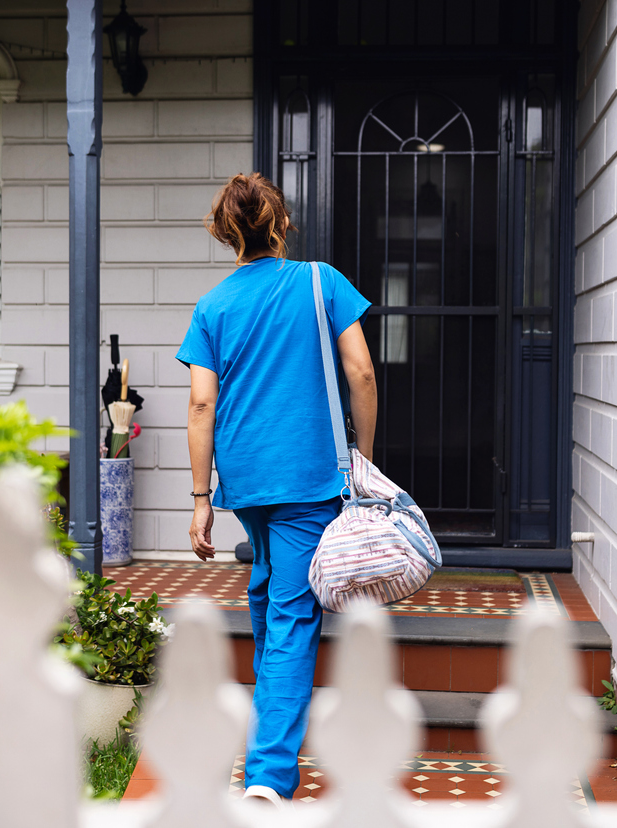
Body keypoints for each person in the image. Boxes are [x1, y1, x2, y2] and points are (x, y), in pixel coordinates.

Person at [176, 173, 377, 807]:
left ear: (224, 233)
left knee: (268, 593)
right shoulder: (321, 281)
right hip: (309, 476)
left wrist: (201, 497)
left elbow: (201, 403)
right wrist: (363, 461)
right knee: (293, 615)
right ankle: (268, 775)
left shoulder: (212, 306)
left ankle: (267, 734)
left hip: (247, 478)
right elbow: (362, 372)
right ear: (282, 225)